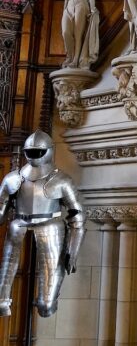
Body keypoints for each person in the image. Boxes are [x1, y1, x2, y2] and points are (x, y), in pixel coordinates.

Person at [0, 130, 85, 318]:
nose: (34, 156)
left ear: (49, 151)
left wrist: (73, 251)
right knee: (0, 302)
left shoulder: (61, 180)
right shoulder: (13, 178)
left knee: (46, 305)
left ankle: (46, 302)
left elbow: (77, 215)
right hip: (18, 226)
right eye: (30, 151)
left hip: (50, 227)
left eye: (38, 151)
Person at [59, 0, 99, 69]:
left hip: (81, 4)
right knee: (66, 32)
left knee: (78, 33)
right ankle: (69, 57)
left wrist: (92, 8)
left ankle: (76, 59)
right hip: (69, 6)